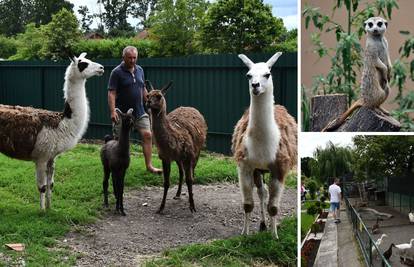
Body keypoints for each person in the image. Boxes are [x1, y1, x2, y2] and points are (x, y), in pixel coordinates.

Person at [108, 46, 162, 174]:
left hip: (139, 111)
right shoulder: (116, 72)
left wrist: (149, 101)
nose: (132, 60)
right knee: (119, 142)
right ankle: (117, 166)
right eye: (129, 58)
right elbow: (111, 93)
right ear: (123, 58)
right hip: (123, 114)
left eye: (134, 58)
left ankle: (149, 166)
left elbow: (142, 88)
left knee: (148, 135)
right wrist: (112, 111)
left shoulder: (140, 70)